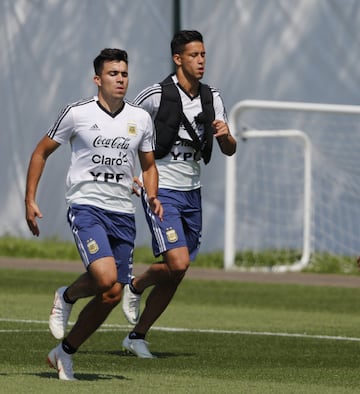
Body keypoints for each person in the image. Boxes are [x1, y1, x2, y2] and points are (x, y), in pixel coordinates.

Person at [25, 48, 163, 380]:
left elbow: (149, 166)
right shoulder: (76, 113)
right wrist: (30, 199)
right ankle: (66, 295)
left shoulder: (140, 119)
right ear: (97, 79)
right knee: (103, 278)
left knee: (113, 293)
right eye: (113, 74)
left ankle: (64, 353)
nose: (120, 79)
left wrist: (152, 193)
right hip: (86, 206)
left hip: (123, 213)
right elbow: (41, 152)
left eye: (125, 74)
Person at [121, 30, 236, 358]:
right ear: (178, 59)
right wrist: (133, 175)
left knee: (176, 272)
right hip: (161, 189)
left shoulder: (212, 97)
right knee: (178, 262)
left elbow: (229, 149)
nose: (201, 61)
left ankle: (137, 335)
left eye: (203, 55)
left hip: (192, 192)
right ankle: (136, 285)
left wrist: (226, 135)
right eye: (194, 55)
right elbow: (125, 131)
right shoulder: (155, 94)